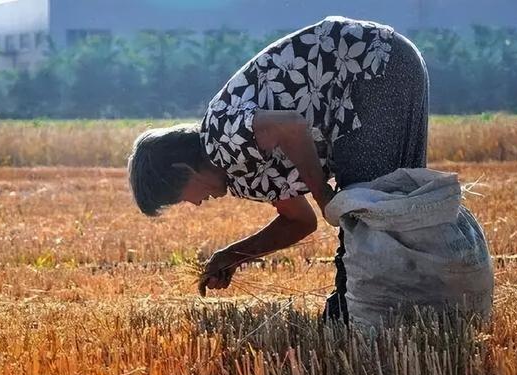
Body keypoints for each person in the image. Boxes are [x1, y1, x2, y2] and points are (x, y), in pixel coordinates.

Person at [127, 16, 429, 322]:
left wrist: (324, 195)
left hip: (371, 64)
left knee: (371, 211)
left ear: (183, 169)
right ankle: (404, 312)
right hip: (388, 63)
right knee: (389, 207)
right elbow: (299, 221)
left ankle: (364, 317)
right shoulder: (237, 175)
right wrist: (232, 256)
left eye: (181, 197)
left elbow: (290, 127)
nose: (193, 203)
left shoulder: (220, 138)